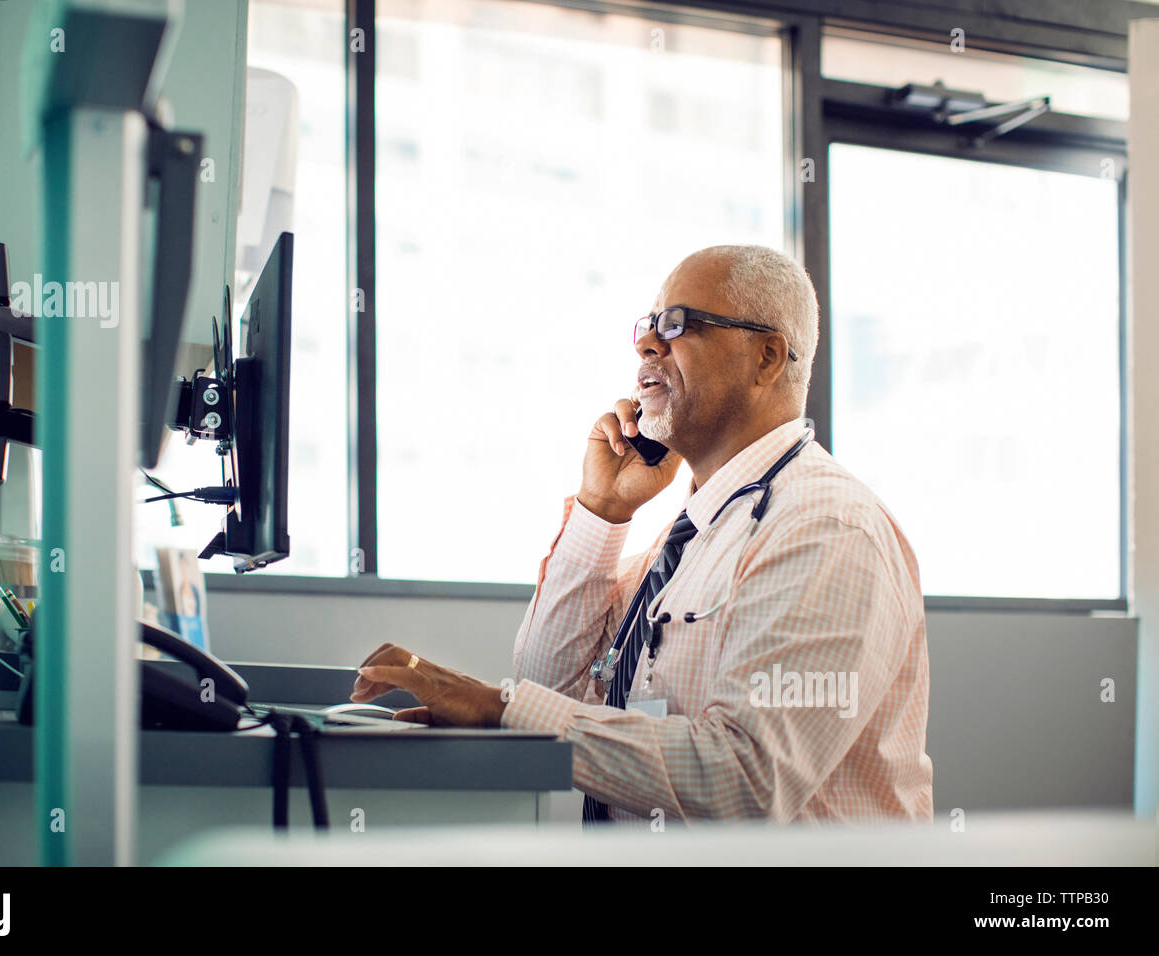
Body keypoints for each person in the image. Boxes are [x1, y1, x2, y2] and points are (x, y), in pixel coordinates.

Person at [351, 245, 932, 825]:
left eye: (676, 324)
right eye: (648, 324)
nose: (646, 344)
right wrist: (602, 510)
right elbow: (547, 679)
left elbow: (745, 779)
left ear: (767, 357)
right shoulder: (693, 534)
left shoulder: (824, 528)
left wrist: (499, 709)